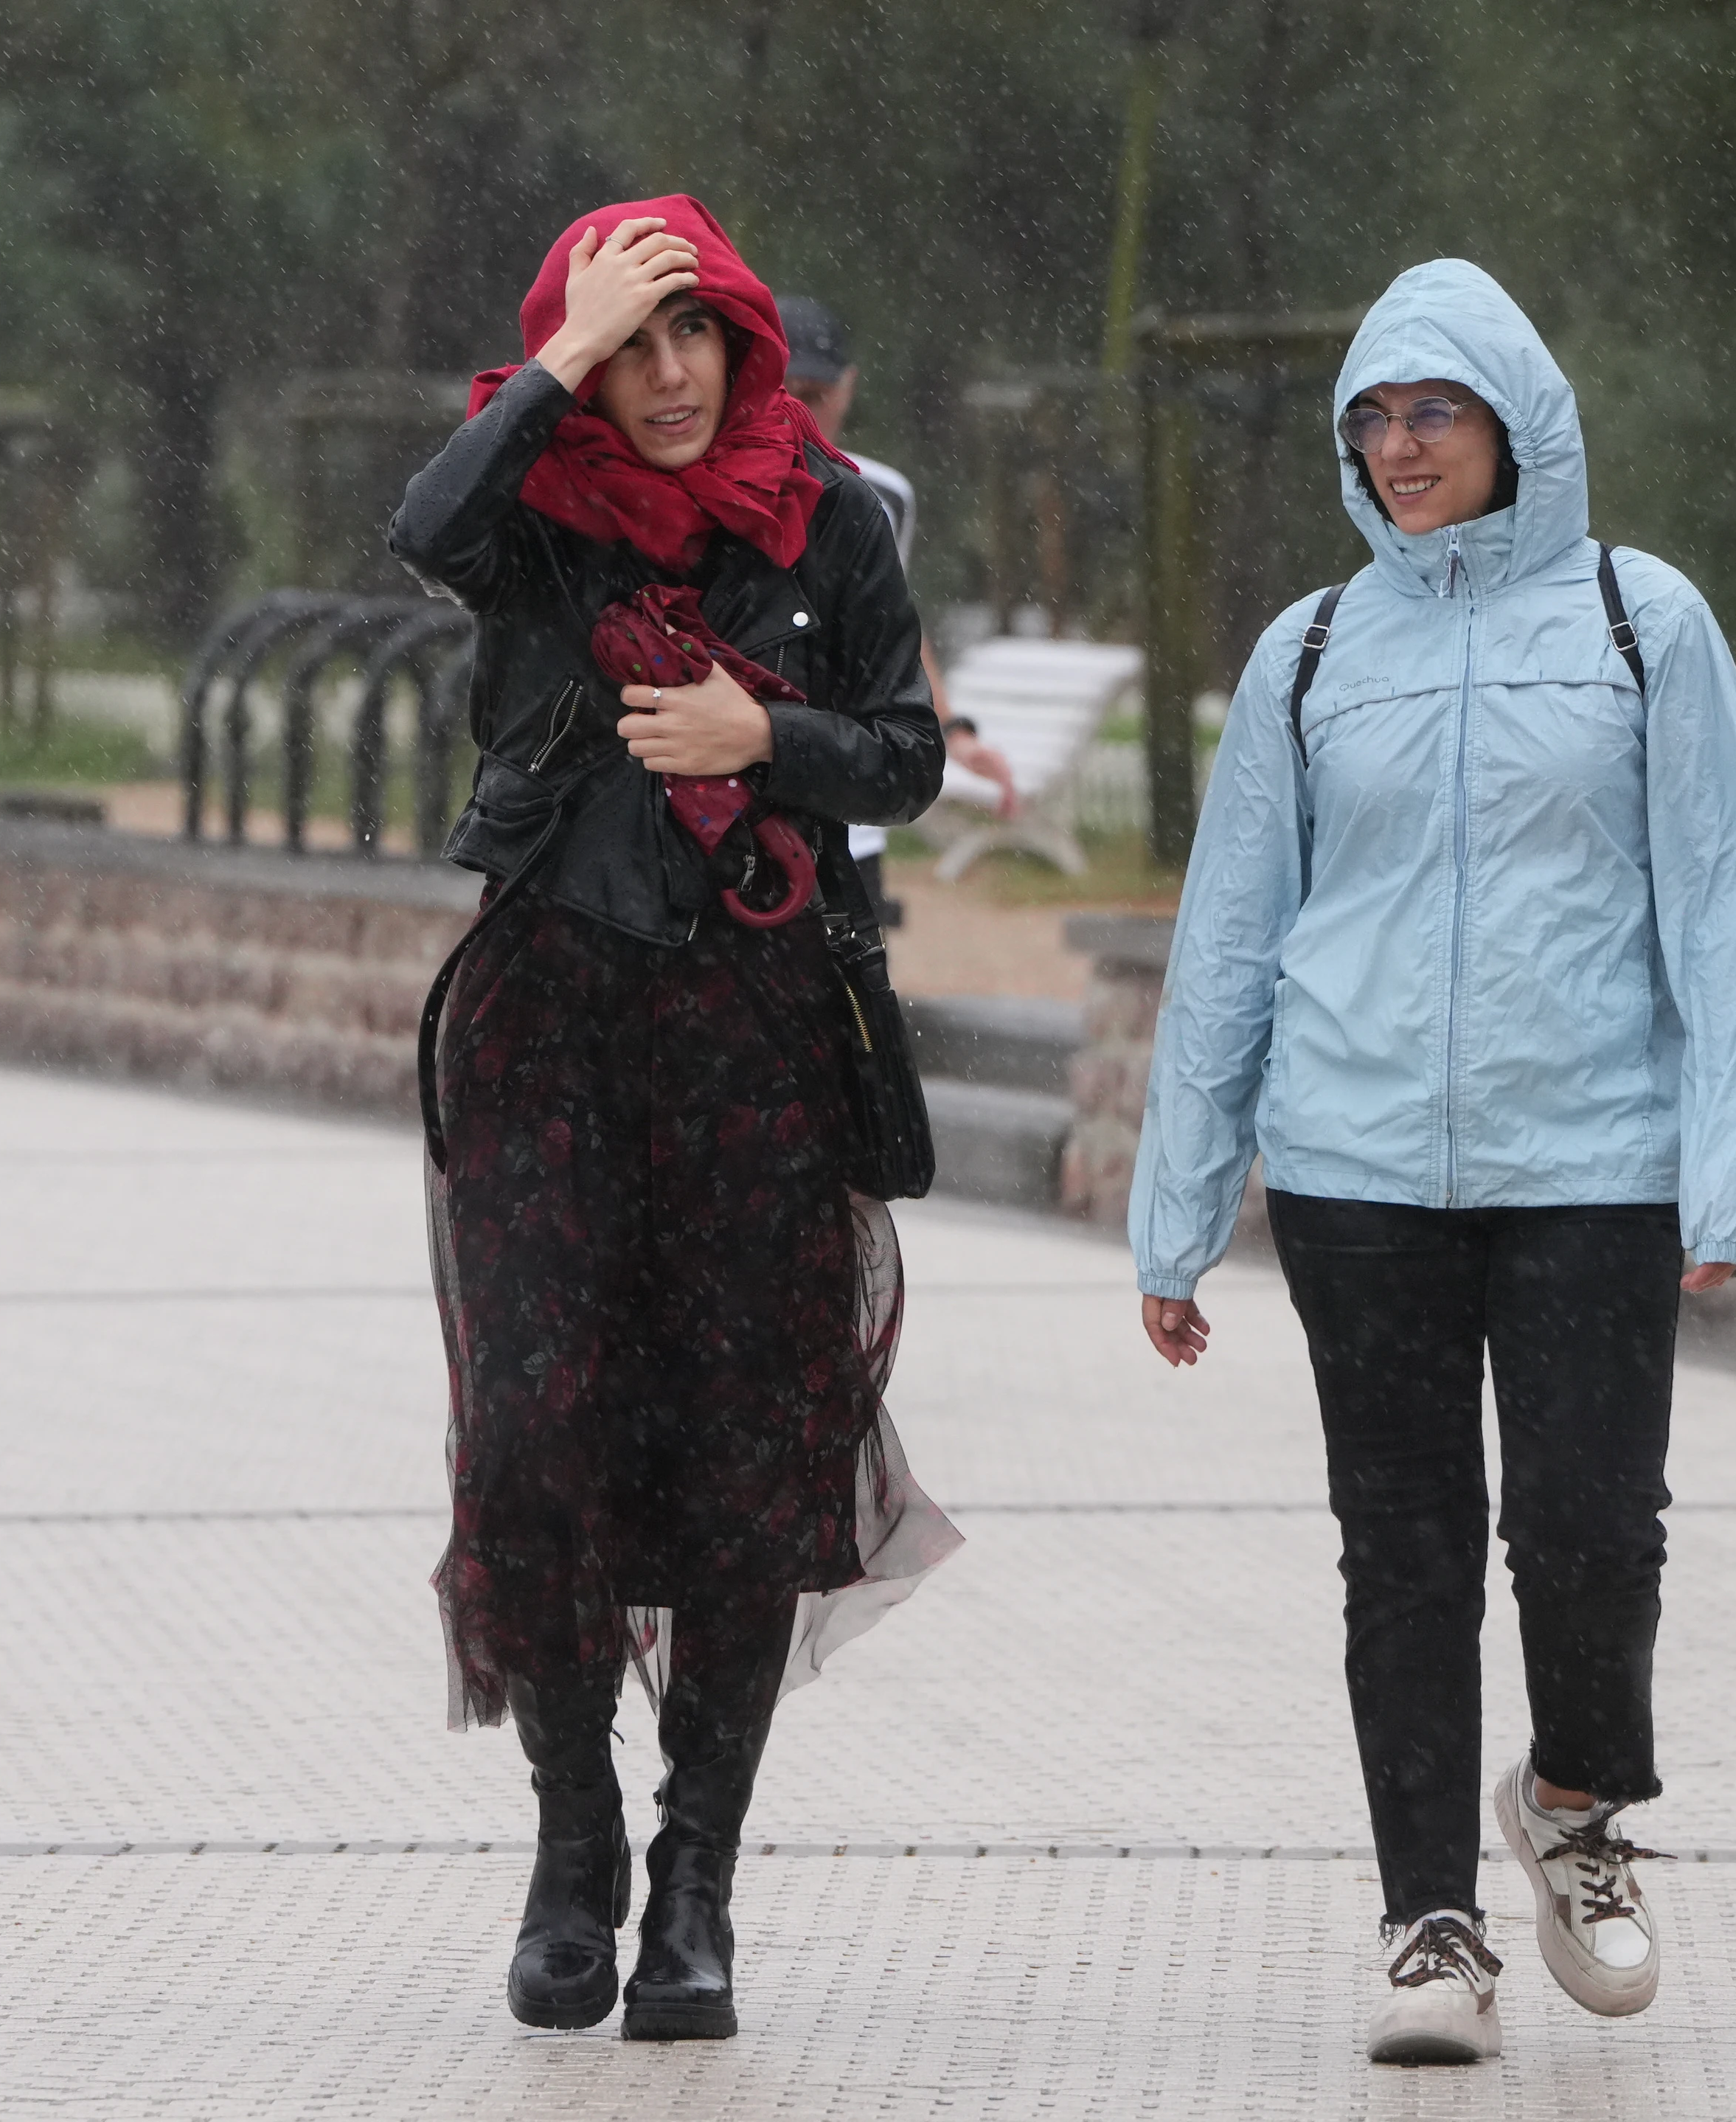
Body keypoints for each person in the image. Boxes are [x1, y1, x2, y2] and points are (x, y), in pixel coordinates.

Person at [1127, 260, 1736, 2067]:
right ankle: (1430, 1923)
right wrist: (1176, 1207)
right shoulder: (1310, 648)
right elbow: (1229, 933)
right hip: (1353, 1167)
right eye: (1372, 417)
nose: (1399, 445)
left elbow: (1720, 906)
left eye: (1433, 411)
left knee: (1588, 1530)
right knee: (1401, 1550)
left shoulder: (1638, 620)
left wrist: (1729, 1173)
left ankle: (1572, 1804)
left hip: (1590, 1155)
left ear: (1515, 425)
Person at [389, 196, 961, 2045]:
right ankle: (575, 1852)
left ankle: (694, 1878)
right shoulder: (535, 515)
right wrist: (552, 357)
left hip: (755, 1040)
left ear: (743, 344)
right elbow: (426, 528)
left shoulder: (834, 520)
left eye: (689, 333)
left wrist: (757, 741)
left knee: (737, 1461)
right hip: (549, 1025)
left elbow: (905, 753)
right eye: (628, 340)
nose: (663, 375)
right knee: (538, 1435)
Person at [771, 294, 1013, 919]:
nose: (799, 412)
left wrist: (952, 730)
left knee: (851, 1003)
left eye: (814, 394)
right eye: (780, 391)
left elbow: (891, 629)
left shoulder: (882, 496)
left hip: (851, 807)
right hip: (743, 798)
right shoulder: (708, 484)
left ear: (848, 387)